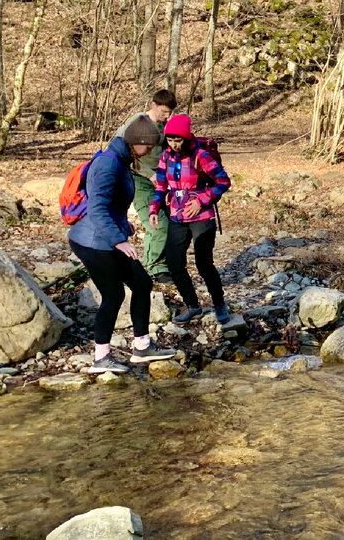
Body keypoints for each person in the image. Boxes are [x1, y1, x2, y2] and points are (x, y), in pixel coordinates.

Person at [69, 115, 178, 374]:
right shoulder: (108, 164)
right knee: (114, 295)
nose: (152, 151)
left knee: (141, 282)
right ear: (137, 142)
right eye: (149, 146)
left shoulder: (121, 160)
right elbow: (97, 208)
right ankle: (101, 358)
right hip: (93, 242)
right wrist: (118, 240)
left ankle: (142, 347)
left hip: (105, 237)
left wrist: (123, 225)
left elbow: (112, 205)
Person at [150, 115, 233, 325]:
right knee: (174, 262)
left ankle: (219, 303)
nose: (174, 145)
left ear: (186, 138)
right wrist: (154, 209)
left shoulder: (201, 155)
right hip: (177, 215)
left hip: (202, 215)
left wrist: (202, 200)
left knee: (204, 263)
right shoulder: (166, 157)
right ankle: (193, 305)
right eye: (170, 140)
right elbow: (161, 186)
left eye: (178, 140)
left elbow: (223, 181)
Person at [115, 90, 176, 283]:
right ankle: (154, 268)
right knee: (158, 223)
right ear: (153, 105)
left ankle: (165, 265)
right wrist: (150, 175)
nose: (166, 116)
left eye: (169, 112)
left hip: (160, 180)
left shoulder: (163, 127)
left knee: (170, 222)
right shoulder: (139, 122)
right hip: (140, 178)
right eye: (163, 111)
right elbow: (125, 150)